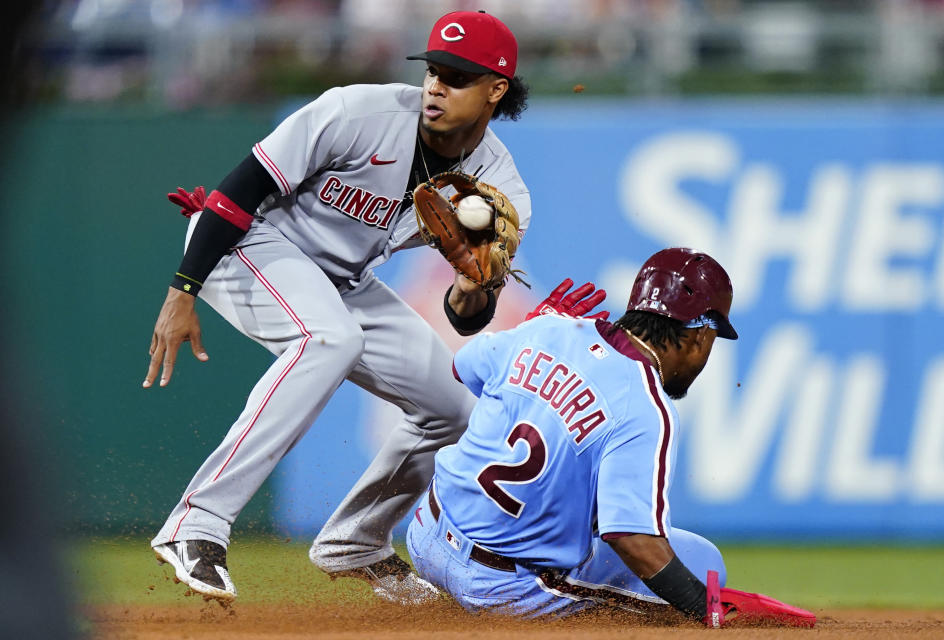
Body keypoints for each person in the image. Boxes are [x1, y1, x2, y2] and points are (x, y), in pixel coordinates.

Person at [143, 10, 531, 604]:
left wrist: (473, 280)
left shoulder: (499, 184)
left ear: (495, 90)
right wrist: (181, 291)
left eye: (455, 77)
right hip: (249, 244)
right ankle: (195, 524)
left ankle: (356, 542)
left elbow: (466, 316)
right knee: (329, 339)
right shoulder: (359, 112)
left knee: (455, 412)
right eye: (432, 71)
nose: (435, 87)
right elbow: (240, 188)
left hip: (342, 280)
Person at [406, 248, 815, 626]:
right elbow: (632, 539)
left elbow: (463, 367)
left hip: (424, 534)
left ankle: (430, 594)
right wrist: (707, 609)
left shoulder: (548, 328)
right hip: (498, 588)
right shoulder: (646, 404)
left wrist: (531, 332)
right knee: (705, 564)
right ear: (698, 336)